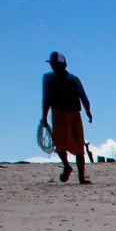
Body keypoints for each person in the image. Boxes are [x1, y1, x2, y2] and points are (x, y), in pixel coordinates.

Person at [40, 52, 93, 184]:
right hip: (58, 113)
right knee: (60, 144)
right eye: (53, 65)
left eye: (55, 64)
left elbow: (83, 96)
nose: (53, 67)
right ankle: (67, 166)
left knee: (79, 145)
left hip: (75, 113)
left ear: (64, 65)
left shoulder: (73, 79)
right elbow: (46, 98)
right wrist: (44, 117)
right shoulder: (48, 78)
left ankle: (81, 177)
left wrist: (87, 110)